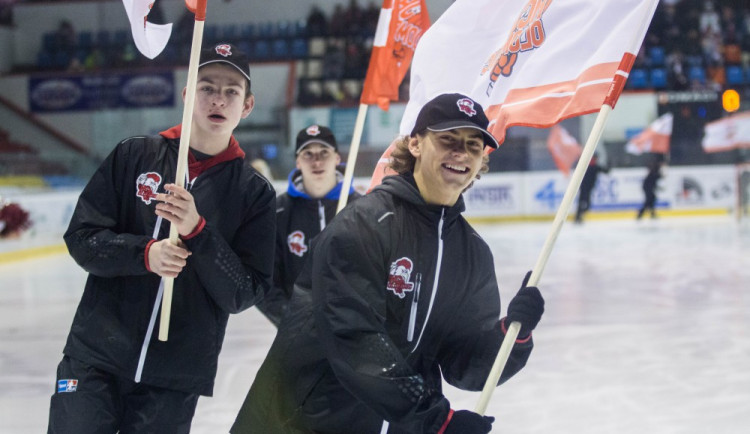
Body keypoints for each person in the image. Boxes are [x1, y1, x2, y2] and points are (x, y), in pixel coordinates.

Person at [231, 93, 545, 434]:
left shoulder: (472, 252)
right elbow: (354, 336)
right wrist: (435, 418)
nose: (461, 153)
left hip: (398, 424)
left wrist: (511, 336)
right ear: (415, 144)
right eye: (447, 140)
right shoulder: (363, 224)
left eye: (472, 145)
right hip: (305, 420)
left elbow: (462, 363)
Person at [48, 43, 276, 433]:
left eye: (231, 91)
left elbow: (245, 292)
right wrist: (145, 254)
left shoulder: (254, 194)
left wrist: (198, 232)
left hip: (175, 376)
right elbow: (82, 238)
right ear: (188, 95)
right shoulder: (133, 155)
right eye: (206, 88)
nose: (218, 99)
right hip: (96, 356)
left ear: (248, 105)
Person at [256, 125, 360, 326]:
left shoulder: (362, 208)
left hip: (354, 333)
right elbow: (265, 280)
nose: (317, 161)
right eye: (308, 154)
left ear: (337, 158)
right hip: (297, 337)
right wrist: (292, 321)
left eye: (324, 152)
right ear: (297, 161)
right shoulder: (278, 211)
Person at [574, 153, 609, 223]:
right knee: (584, 203)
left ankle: (578, 216)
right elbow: (605, 171)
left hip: (586, 188)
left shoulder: (591, 166)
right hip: (585, 188)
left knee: (584, 203)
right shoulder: (590, 166)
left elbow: (605, 171)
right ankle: (578, 217)